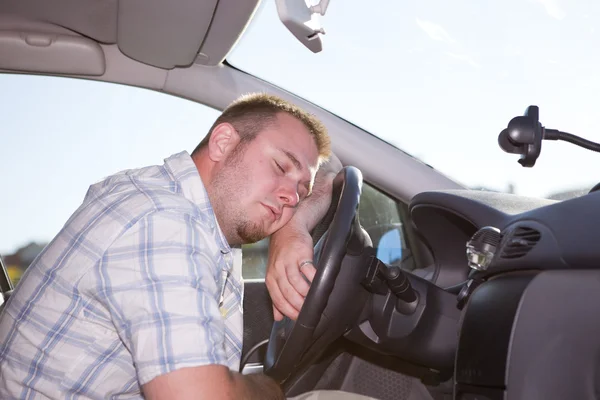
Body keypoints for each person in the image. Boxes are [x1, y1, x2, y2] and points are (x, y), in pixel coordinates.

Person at [0, 93, 377, 400]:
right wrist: (270, 390)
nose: (290, 197)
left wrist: (292, 230)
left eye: (300, 191)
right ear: (223, 142)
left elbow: (332, 172)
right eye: (280, 166)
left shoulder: (178, 204)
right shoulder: (164, 221)